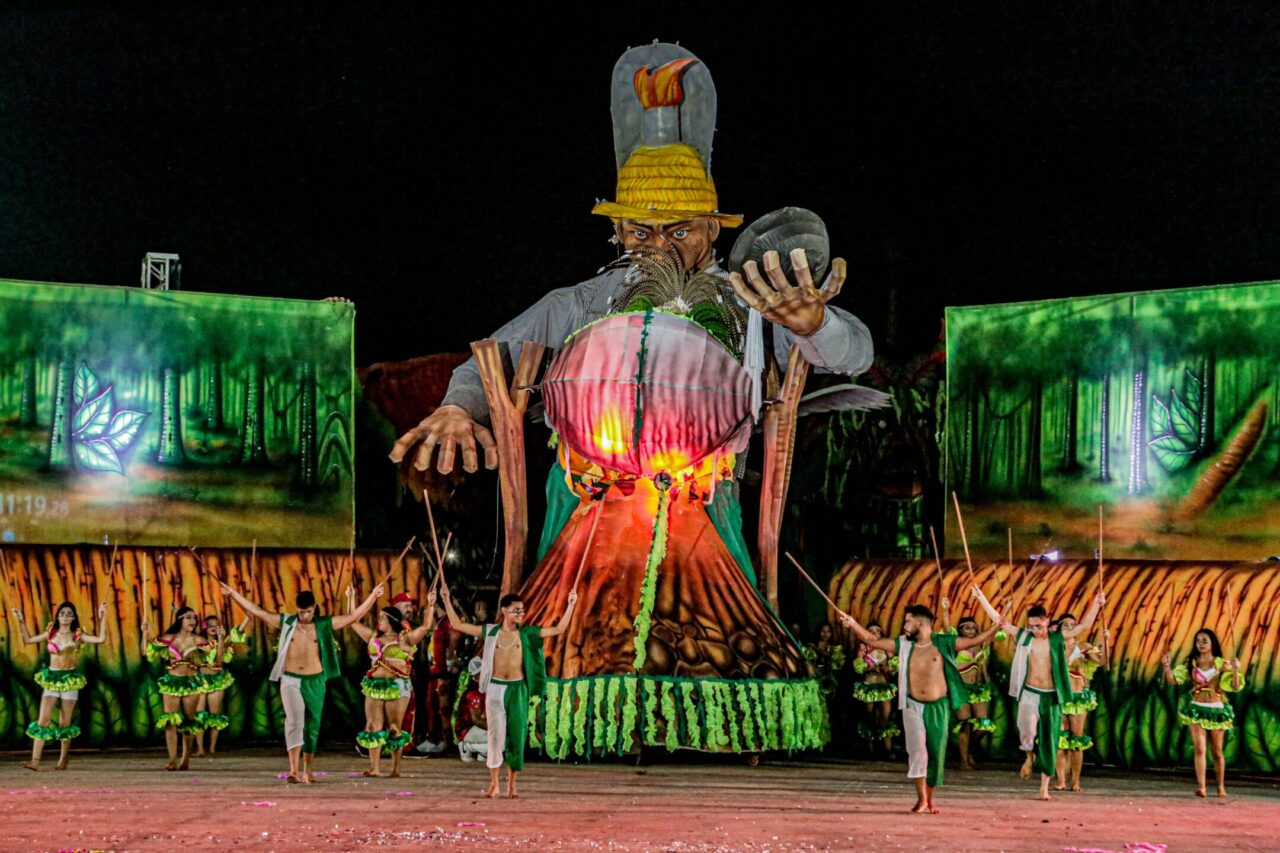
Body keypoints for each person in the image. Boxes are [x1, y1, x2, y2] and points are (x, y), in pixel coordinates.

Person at [839, 588, 1004, 814]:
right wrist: (852, 623)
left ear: (921, 623)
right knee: (917, 751)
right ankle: (921, 799)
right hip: (912, 706)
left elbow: (975, 640)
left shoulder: (944, 642)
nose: (905, 625)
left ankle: (931, 798)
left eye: (908, 622)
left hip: (938, 706)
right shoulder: (903, 644)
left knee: (936, 753)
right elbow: (872, 640)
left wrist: (997, 626)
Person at [220, 582, 384, 783]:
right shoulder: (287, 622)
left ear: (314, 608)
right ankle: (293, 771)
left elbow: (353, 617)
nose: (304, 616)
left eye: (307, 612)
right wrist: (232, 593)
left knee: (312, 725)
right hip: (290, 679)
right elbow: (258, 611)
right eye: (300, 612)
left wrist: (373, 595)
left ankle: (308, 770)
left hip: (315, 680)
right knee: (294, 722)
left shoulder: (323, 624)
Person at [441, 584, 577, 798]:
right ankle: (494, 784)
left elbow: (558, 629)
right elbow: (458, 624)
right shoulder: (490, 632)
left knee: (516, 735)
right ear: (504, 610)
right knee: (495, 736)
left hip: (517, 688)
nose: (520, 614)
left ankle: (512, 784)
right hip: (495, 688)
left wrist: (571, 605)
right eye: (516, 610)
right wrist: (446, 599)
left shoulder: (528, 634)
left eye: (522, 610)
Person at [978, 593, 1104, 800]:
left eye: (1038, 626)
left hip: (1051, 696)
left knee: (1050, 739)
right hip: (1030, 692)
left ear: (1047, 622)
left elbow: (1083, 627)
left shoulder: (1056, 638)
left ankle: (1044, 788)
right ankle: (1029, 756)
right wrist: (981, 597)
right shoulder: (1025, 637)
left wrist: (1097, 604)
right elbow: (999, 620)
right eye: (1031, 626)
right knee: (1027, 731)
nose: (1035, 630)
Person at [345, 590, 438, 777]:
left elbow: (426, 626)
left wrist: (431, 604)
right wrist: (351, 598)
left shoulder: (405, 639)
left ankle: (396, 769)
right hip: (374, 685)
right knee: (373, 725)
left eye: (382, 618)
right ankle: (375, 768)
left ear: (391, 621)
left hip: (397, 685)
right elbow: (352, 621)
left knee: (395, 727)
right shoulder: (373, 637)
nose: (379, 620)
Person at [11, 601, 108, 770]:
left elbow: (101, 639)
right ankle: (35, 761)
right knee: (43, 719)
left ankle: (63, 760)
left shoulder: (78, 635)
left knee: (65, 722)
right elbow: (28, 640)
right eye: (62, 613)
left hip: (69, 680)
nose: (65, 616)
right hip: (52, 678)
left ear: (73, 618)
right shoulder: (50, 633)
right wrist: (21, 620)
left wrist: (103, 616)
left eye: (69, 614)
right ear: (57, 617)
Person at [1162, 628, 1245, 798]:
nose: (1200, 644)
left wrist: (1235, 669)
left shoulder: (1221, 663)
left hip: (1216, 710)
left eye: (1204, 641)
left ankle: (1220, 786)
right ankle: (1202, 787)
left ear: (1212, 643)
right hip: (1196, 709)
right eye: (1198, 641)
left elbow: (1235, 686)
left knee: (1217, 751)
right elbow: (1172, 681)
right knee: (1199, 748)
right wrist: (1167, 667)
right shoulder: (1192, 663)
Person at [142, 605, 222, 771]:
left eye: (194, 618)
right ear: (180, 620)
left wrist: (220, 639)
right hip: (172, 682)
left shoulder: (199, 640)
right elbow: (145, 652)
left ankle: (185, 759)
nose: (192, 621)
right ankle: (172, 760)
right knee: (170, 722)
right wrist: (144, 633)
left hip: (191, 683)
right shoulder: (168, 638)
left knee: (189, 722)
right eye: (188, 617)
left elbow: (217, 662)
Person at [940, 602, 996, 771]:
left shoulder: (982, 644)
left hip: (978, 689)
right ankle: (964, 761)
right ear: (961, 630)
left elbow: (994, 629)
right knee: (965, 723)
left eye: (973, 628)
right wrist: (945, 610)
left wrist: (1004, 610)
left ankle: (968, 750)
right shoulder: (956, 644)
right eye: (967, 628)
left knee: (983, 725)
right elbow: (946, 629)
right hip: (961, 688)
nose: (971, 631)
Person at [1054, 614, 1106, 791]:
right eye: (1065, 624)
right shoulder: (1053, 646)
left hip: (1077, 697)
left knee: (1077, 738)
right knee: (1060, 739)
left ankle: (1075, 781)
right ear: (1059, 628)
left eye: (1073, 624)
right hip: (1058, 697)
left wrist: (1105, 643)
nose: (1069, 627)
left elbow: (1102, 662)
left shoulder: (1083, 647)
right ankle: (1061, 780)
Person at [193, 612, 251, 756]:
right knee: (199, 715)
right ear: (205, 627)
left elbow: (219, 662)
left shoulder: (224, 643)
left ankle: (212, 748)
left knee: (215, 715)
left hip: (217, 680)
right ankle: (200, 749)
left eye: (216, 625)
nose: (213, 627)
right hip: (200, 680)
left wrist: (247, 618)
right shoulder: (198, 643)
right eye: (210, 625)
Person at [850, 621, 899, 753]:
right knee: (870, 718)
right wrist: (870, 668)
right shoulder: (863, 648)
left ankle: (887, 750)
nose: (874, 633)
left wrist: (887, 668)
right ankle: (871, 750)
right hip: (868, 687)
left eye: (877, 631)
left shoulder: (886, 648)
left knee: (885, 718)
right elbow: (858, 667)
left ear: (881, 633)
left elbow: (895, 665)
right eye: (871, 631)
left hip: (884, 687)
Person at [454, 656, 488, 763]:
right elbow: (476, 720)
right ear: (477, 676)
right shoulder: (474, 694)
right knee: (499, 739)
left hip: (477, 728)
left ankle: (483, 752)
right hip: (467, 729)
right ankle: (467, 746)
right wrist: (495, 729)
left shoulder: (483, 690)